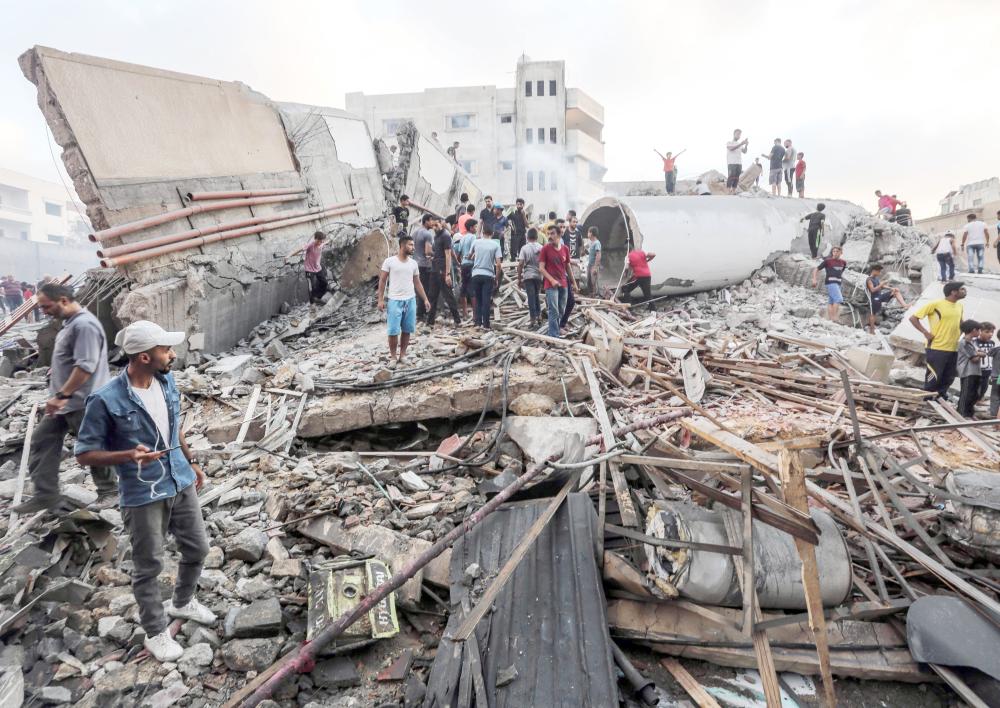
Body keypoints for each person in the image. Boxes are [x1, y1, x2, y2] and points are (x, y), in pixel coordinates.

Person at [74, 320, 215, 662]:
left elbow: (174, 425)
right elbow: (83, 453)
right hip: (142, 493)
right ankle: (155, 632)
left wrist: (191, 461)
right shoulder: (105, 400)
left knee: (198, 548)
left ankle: (182, 602)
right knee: (149, 565)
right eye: (165, 349)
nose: (172, 354)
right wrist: (127, 455)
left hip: (179, 479)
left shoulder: (166, 382)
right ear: (144, 357)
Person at [12, 282, 116, 514]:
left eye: (46, 306)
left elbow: (86, 366)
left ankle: (109, 492)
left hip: (83, 401)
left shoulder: (85, 325)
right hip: (65, 403)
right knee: (42, 441)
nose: (43, 311)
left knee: (92, 447)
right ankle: (46, 495)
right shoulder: (70, 324)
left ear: (63, 300)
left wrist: (62, 394)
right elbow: (72, 359)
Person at [909, 281, 967, 400]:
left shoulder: (960, 306)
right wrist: (925, 332)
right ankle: (928, 399)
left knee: (949, 376)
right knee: (934, 376)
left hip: (954, 348)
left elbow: (961, 323)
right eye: (962, 289)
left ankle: (941, 398)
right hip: (937, 347)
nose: (964, 291)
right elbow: (913, 318)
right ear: (953, 292)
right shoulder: (935, 304)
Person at [377, 235, 431, 363]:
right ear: (402, 246)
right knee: (393, 331)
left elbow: (417, 282)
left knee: (407, 329)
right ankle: (393, 357)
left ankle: (402, 355)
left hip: (410, 300)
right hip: (394, 300)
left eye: (413, 245)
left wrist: (425, 299)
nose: (413, 247)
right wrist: (380, 299)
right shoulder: (389, 261)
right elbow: (383, 280)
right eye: (410, 245)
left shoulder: (413, 263)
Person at [425, 218, 462, 327]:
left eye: (436, 225)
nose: (435, 228)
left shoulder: (445, 236)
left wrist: (448, 274)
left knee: (448, 296)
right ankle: (430, 322)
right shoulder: (436, 236)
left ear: (442, 223)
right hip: (434, 269)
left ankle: (457, 320)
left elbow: (448, 255)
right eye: (433, 226)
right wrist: (433, 258)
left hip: (442, 271)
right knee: (432, 296)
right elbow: (439, 253)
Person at [538, 224, 570, 337]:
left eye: (552, 233)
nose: (550, 236)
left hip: (563, 283)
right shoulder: (545, 249)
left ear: (559, 234)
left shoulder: (565, 249)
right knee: (554, 310)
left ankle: (555, 329)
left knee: (561, 309)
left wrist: (574, 283)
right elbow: (541, 268)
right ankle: (553, 335)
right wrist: (551, 280)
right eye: (549, 233)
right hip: (550, 284)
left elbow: (567, 266)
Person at [469, 226, 502, 329]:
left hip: (476, 274)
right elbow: (498, 264)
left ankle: (478, 323)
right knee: (486, 300)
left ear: (483, 232)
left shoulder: (476, 242)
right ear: (492, 234)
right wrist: (496, 277)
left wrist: (476, 256)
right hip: (488, 275)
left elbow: (470, 256)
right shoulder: (495, 245)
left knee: (478, 299)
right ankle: (486, 324)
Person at [287, 231, 330, 305]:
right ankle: (312, 304)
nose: (320, 243)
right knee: (312, 287)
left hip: (318, 268)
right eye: (319, 241)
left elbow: (325, 242)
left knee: (324, 283)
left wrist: (328, 241)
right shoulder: (310, 245)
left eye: (321, 241)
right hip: (309, 270)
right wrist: (289, 255)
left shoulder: (321, 243)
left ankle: (318, 298)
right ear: (316, 239)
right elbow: (299, 249)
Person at [865, 264, 910, 334]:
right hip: (874, 298)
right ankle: (872, 331)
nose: (879, 273)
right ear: (874, 271)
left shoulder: (876, 278)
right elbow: (872, 290)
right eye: (878, 271)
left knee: (896, 291)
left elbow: (882, 286)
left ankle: (905, 305)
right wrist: (880, 285)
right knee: (873, 314)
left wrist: (891, 288)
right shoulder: (869, 280)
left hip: (879, 296)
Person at [957, 320, 984, 418]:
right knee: (966, 393)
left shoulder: (972, 343)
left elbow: (979, 353)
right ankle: (961, 413)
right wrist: (980, 354)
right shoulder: (964, 342)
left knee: (974, 394)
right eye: (979, 330)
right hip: (967, 371)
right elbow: (974, 358)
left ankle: (969, 413)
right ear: (973, 330)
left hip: (975, 371)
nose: (979, 332)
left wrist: (980, 353)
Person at [517, 227, 544, 327]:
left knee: (531, 297)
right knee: (536, 295)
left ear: (527, 237)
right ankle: (539, 316)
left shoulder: (524, 248)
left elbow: (520, 264)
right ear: (537, 237)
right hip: (538, 275)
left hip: (528, 275)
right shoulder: (541, 248)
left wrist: (519, 278)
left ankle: (533, 318)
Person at [811, 245, 847, 321]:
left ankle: (830, 320)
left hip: (838, 283)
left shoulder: (843, 262)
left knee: (831, 301)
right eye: (834, 251)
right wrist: (814, 279)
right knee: (838, 299)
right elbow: (816, 269)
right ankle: (834, 318)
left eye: (837, 251)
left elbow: (840, 272)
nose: (835, 253)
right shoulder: (828, 261)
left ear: (841, 252)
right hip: (830, 282)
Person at [411, 214, 435, 321]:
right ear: (426, 221)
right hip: (424, 265)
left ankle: (418, 313)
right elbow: (428, 251)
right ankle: (421, 314)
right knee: (424, 289)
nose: (433, 223)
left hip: (415, 263)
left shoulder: (415, 232)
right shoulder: (427, 234)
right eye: (431, 221)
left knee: (417, 289)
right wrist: (436, 253)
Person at [456, 218, 479, 320]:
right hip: (471, 265)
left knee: (464, 289)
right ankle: (475, 315)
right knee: (472, 290)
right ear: (471, 227)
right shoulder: (473, 237)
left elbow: (458, 254)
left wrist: (460, 264)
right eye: (475, 226)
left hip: (464, 265)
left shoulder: (463, 238)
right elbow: (475, 251)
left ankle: (465, 313)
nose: (476, 228)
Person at [974, 322, 996, 403]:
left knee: (984, 387)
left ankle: (979, 400)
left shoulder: (992, 343)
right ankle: (972, 403)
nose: (990, 334)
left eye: (992, 332)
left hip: (988, 370)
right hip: (977, 370)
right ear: (980, 331)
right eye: (987, 332)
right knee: (975, 388)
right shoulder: (975, 342)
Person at [586, 226, 602, 296]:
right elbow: (590, 253)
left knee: (593, 282)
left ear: (591, 233)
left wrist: (595, 267)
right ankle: (591, 295)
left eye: (588, 232)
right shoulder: (591, 242)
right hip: (590, 265)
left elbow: (598, 255)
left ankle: (594, 297)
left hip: (593, 266)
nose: (587, 234)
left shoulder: (596, 243)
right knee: (589, 281)